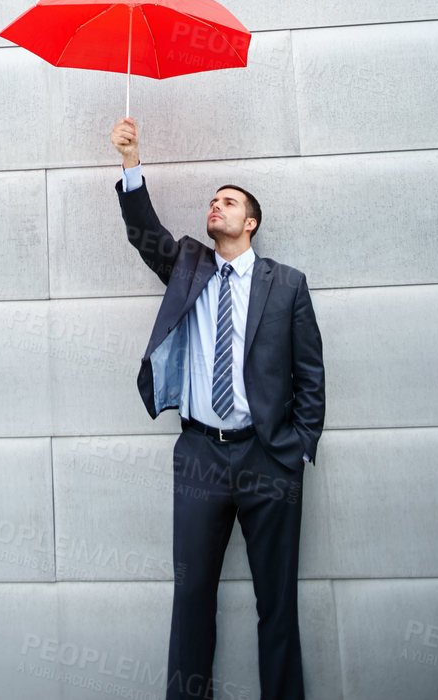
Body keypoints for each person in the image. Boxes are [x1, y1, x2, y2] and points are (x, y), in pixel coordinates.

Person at [111, 116, 324, 700]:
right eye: (212, 201)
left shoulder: (287, 285)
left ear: (250, 222)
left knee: (277, 602)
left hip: (267, 458)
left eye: (228, 202)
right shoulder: (188, 265)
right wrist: (131, 161)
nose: (216, 207)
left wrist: (298, 445)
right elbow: (143, 231)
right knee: (192, 596)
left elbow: (311, 373)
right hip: (201, 453)